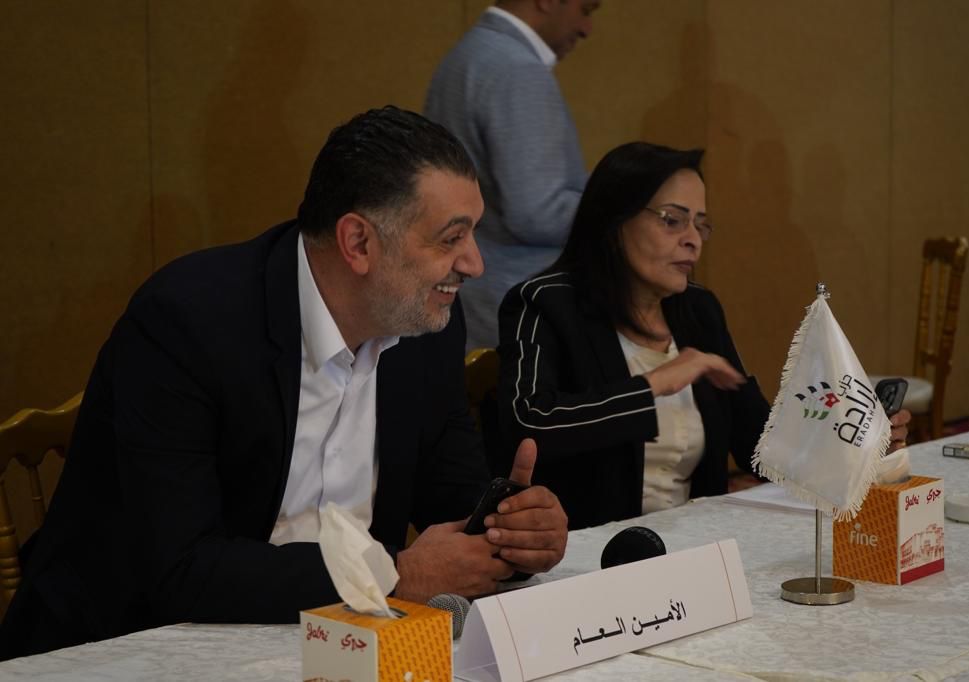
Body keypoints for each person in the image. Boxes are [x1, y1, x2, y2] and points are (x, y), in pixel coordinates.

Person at [0, 107, 568, 659]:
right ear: (358, 243)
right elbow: (180, 567)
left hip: (333, 643)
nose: (474, 264)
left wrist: (511, 531)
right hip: (130, 644)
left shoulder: (427, 326)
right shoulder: (187, 323)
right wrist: (391, 573)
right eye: (451, 238)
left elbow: (453, 496)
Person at [496, 142, 912, 530]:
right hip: (586, 550)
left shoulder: (698, 310)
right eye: (672, 221)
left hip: (694, 544)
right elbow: (527, 424)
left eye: (700, 225)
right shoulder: (544, 304)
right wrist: (654, 384)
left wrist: (855, 443)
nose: (693, 240)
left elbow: (759, 445)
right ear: (614, 220)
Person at [424, 0, 599, 350]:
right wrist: (620, 204)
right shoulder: (518, 70)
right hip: (518, 308)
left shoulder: (466, 55)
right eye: (586, 9)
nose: (586, 28)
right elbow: (536, 213)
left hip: (471, 296)